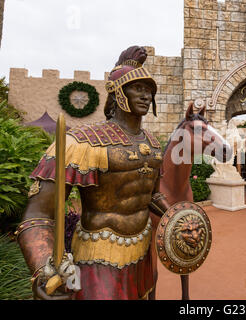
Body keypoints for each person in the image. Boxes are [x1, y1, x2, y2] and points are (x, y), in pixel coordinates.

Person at [16, 46, 171, 300]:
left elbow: (152, 196)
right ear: (119, 92)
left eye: (149, 91)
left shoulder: (153, 146)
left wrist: (177, 214)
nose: (146, 96)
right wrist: (44, 268)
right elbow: (38, 214)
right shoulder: (81, 143)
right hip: (97, 258)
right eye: (138, 88)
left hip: (144, 254)